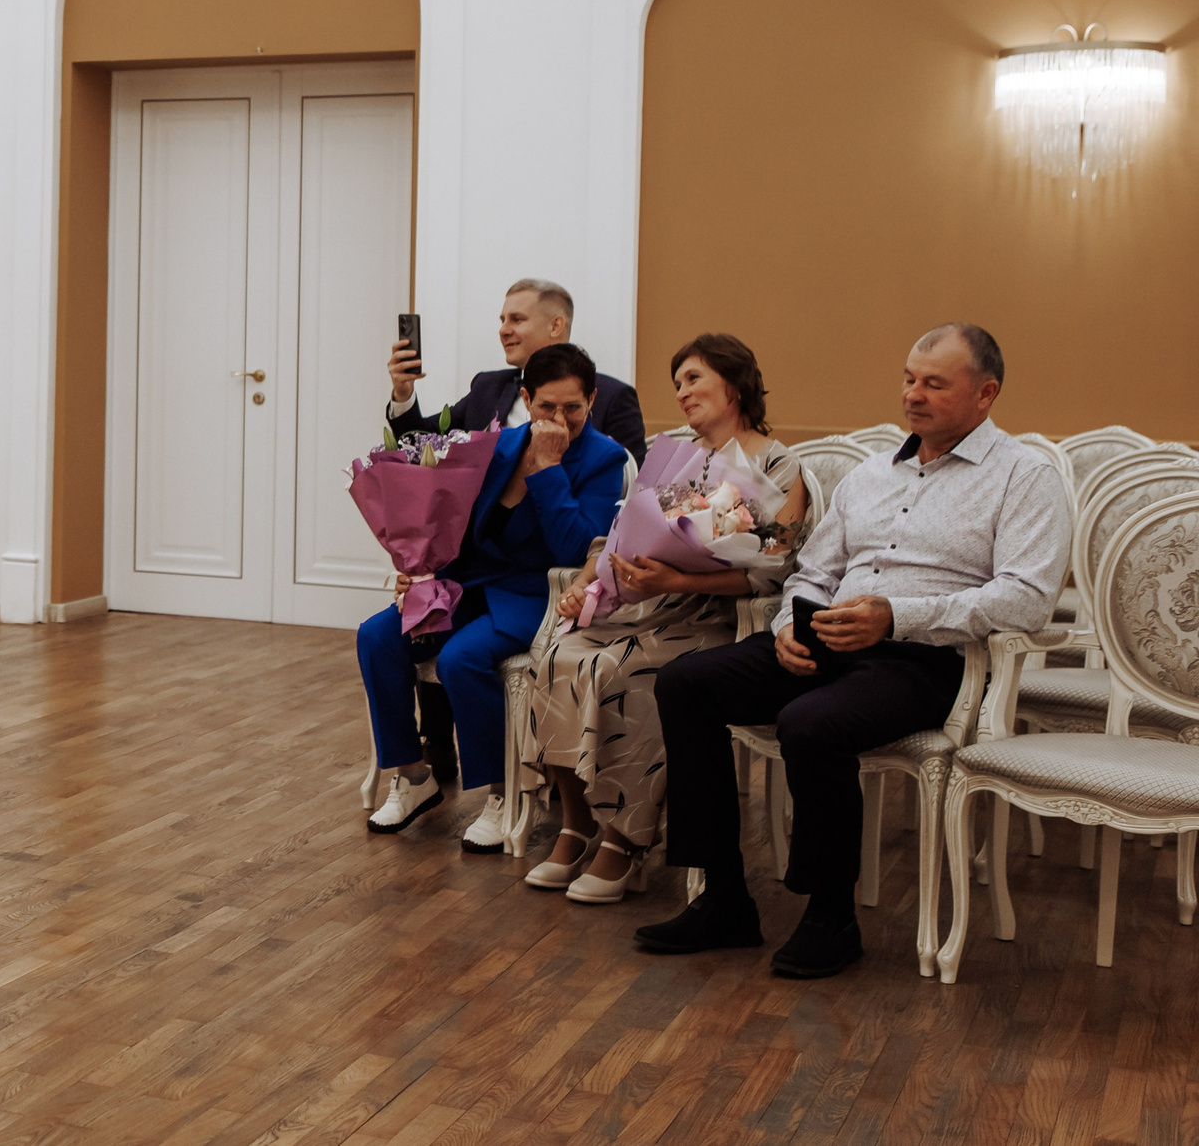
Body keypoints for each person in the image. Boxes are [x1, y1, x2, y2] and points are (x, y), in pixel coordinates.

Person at [634, 323, 1069, 979]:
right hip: (827, 637)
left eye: (934, 383)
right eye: (908, 378)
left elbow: (1025, 598)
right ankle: (722, 896)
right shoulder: (872, 474)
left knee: (812, 722)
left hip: (926, 658)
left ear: (986, 393)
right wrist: (786, 624)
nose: (913, 394)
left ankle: (830, 914)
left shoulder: (1023, 475)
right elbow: (812, 569)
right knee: (686, 682)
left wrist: (896, 615)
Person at [522, 334, 805, 903]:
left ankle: (626, 838)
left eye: (694, 378)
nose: (682, 392)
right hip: (647, 602)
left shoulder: (779, 463)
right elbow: (624, 532)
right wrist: (586, 582)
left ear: (735, 381)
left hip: (719, 615)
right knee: (558, 655)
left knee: (620, 669)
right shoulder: (675, 455)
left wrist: (676, 580)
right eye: (677, 383)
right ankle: (576, 826)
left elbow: (774, 564)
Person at [361, 344, 628, 852]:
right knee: (378, 636)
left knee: (463, 658)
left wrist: (549, 469)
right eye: (547, 407)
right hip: (470, 585)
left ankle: (501, 793)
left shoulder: (604, 458)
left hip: (538, 593)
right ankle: (413, 776)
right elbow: (451, 522)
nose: (560, 419)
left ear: (591, 400)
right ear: (526, 399)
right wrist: (420, 570)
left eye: (573, 407)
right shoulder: (497, 446)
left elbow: (579, 550)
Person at [388, 279, 647, 464]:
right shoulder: (487, 387)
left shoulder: (614, 397)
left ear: (556, 325)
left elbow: (630, 486)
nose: (504, 330)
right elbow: (418, 445)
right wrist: (403, 392)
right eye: (502, 320)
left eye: (517, 319)